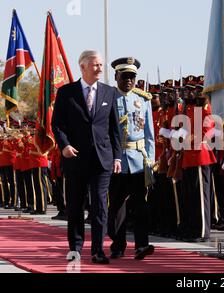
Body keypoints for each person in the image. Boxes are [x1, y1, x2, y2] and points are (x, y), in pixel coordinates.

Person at [52, 50, 122, 265]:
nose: (100, 68)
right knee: (75, 205)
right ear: (82, 67)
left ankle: (98, 250)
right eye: (95, 65)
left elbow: (115, 128)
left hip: (102, 159)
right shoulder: (66, 92)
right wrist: (64, 145)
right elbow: (57, 124)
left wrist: (117, 157)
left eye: (101, 65)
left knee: (100, 206)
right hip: (75, 158)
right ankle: (75, 248)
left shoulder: (109, 92)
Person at [107, 57, 156, 260]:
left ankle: (141, 245)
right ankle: (118, 245)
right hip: (116, 160)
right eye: (124, 76)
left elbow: (149, 134)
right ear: (116, 76)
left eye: (132, 77)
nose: (128, 80)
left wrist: (151, 160)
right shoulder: (108, 98)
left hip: (138, 160)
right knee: (117, 205)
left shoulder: (143, 100)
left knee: (140, 204)